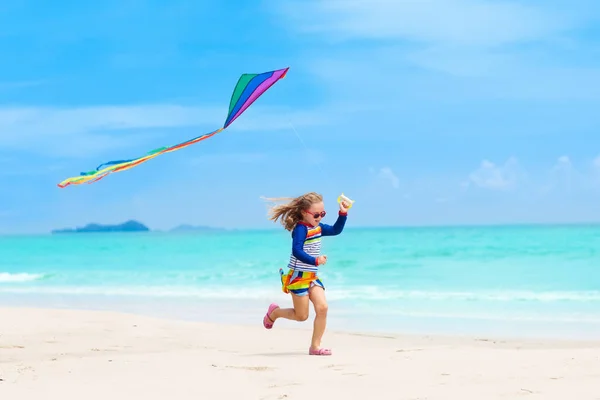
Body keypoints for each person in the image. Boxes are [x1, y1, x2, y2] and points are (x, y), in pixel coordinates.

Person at [261, 191, 349, 356]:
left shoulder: (318, 227)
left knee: (322, 308)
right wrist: (315, 261)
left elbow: (336, 230)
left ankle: (315, 347)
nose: (320, 218)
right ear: (304, 212)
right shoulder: (301, 229)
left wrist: (343, 213)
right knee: (301, 316)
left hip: (312, 277)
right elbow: (296, 251)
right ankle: (275, 313)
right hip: (299, 277)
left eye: (322, 213)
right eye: (316, 214)